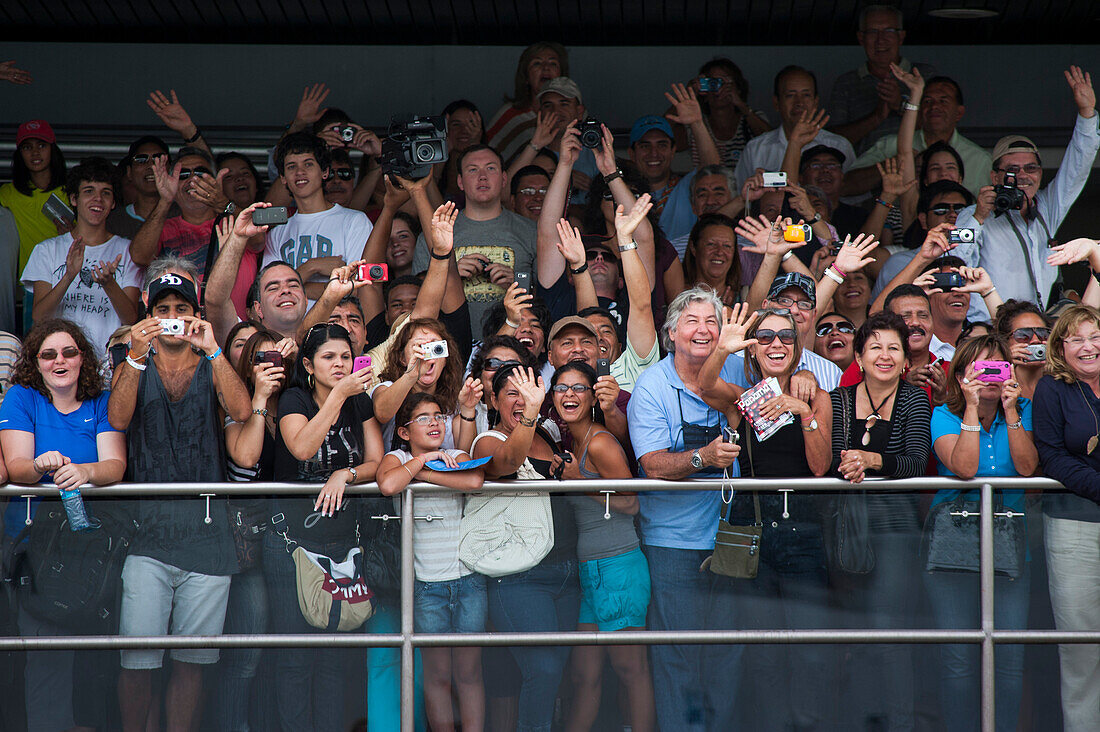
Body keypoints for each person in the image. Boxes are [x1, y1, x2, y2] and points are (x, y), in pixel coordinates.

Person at [107, 270, 251, 732]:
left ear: (196, 315)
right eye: (162, 310)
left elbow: (242, 411)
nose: (172, 319)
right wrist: (134, 355)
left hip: (207, 533)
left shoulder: (211, 358)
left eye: (181, 310)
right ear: (148, 315)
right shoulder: (129, 356)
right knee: (137, 663)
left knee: (193, 664)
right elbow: (118, 417)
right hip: (145, 533)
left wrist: (212, 347)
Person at [698, 304, 833, 730]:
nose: (776, 344)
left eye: (786, 337)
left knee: (810, 652)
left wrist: (803, 412)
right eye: (766, 337)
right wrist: (723, 348)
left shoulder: (817, 396)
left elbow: (819, 467)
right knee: (765, 653)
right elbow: (704, 385)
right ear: (754, 349)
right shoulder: (743, 397)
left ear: (798, 347)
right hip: (756, 533)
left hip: (805, 532)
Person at [0, 320, 126, 732]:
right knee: (46, 655)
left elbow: (115, 466)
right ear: (34, 364)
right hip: (33, 544)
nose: (60, 361)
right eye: (49, 354)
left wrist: (86, 470)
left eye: (69, 352)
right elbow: (16, 465)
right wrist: (38, 466)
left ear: (83, 358)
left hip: (93, 546)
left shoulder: (102, 400)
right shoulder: (21, 397)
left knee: (93, 660)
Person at [626, 286, 742, 731]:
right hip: (672, 543)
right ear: (671, 332)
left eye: (712, 322)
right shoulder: (652, 385)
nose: (703, 330)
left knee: (728, 653)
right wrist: (703, 459)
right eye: (692, 321)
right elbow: (651, 464)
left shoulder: (734, 370)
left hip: (732, 539)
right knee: (678, 654)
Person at [267, 322, 383, 731]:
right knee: (295, 658)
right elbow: (301, 447)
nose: (339, 364)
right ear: (309, 365)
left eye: (345, 357)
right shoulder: (293, 398)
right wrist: (337, 396)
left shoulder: (360, 400)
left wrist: (344, 475)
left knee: (336, 655)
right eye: (329, 358)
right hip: (291, 543)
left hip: (341, 544)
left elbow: (377, 463)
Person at [927, 334, 1038, 732]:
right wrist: (972, 407)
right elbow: (964, 468)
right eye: (981, 367)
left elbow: (1027, 468)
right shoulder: (943, 413)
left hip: (1010, 542)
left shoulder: (1023, 409)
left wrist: (1010, 411)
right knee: (957, 657)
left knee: (1009, 657)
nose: (991, 375)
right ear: (960, 377)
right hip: (953, 540)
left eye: (998, 366)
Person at [830, 310, 931, 730]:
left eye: (894, 348)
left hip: (895, 528)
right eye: (875, 347)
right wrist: (850, 463)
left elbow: (917, 462)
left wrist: (871, 460)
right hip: (843, 528)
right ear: (859, 355)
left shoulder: (914, 399)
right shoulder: (837, 399)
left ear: (906, 359)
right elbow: (833, 452)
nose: (885, 356)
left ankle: (899, 724)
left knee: (890, 636)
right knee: (847, 636)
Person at [471, 362, 579, 732]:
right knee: (544, 669)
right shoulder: (487, 440)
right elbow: (507, 463)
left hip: (566, 570)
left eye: (528, 391)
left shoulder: (548, 435)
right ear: (494, 400)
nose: (521, 401)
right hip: (518, 577)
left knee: (556, 673)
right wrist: (531, 414)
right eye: (511, 394)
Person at [547, 361, 654, 732]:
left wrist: (578, 481)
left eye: (578, 388)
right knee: (584, 674)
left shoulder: (601, 441)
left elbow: (631, 503)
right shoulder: (573, 441)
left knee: (631, 670)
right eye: (561, 388)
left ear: (593, 396)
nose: (569, 395)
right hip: (591, 572)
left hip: (618, 565)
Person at [378, 392, 486, 732]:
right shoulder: (395, 458)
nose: (435, 422)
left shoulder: (454, 455)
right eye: (423, 418)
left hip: (468, 578)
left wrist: (425, 474)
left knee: (468, 673)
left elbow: (474, 480)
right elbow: (388, 484)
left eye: (438, 415)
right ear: (405, 432)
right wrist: (421, 462)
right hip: (425, 585)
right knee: (438, 675)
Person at [953, 67, 1099, 309]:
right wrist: (978, 217)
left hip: (1035, 330)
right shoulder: (974, 215)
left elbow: (1077, 170)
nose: (1022, 176)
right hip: (991, 328)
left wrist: (1087, 113)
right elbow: (958, 264)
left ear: (1040, 174)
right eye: (1012, 170)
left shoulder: (1046, 207)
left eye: (1031, 168)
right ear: (994, 176)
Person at [212, 326, 289, 732]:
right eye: (260, 359)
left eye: (277, 357)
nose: (270, 366)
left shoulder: (298, 404)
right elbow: (244, 461)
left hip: (291, 543)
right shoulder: (235, 405)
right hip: (247, 548)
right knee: (247, 656)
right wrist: (258, 398)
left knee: (286, 654)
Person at [1031, 304, 1100, 732]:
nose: (1088, 346)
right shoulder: (1053, 390)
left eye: (1094, 336)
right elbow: (1052, 457)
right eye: (1076, 338)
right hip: (1075, 527)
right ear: (1060, 347)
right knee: (1081, 651)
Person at [21, 157, 142, 358]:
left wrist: (109, 283)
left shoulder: (127, 250)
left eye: (106, 193)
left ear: (113, 203)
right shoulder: (46, 250)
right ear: (73, 199)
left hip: (109, 366)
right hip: (61, 364)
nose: (98, 199)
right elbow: (39, 317)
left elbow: (130, 319)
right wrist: (68, 276)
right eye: (89, 191)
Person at [411, 144, 536, 337]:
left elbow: (549, 296)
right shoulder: (438, 231)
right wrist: (449, 275)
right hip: (451, 346)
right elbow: (415, 299)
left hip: (514, 343)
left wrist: (517, 282)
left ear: (504, 179)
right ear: (460, 181)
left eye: (491, 168)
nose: (482, 176)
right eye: (473, 170)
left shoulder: (530, 231)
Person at [261, 133, 374, 304]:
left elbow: (359, 289)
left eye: (308, 164)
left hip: (339, 327)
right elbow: (265, 294)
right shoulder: (277, 233)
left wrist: (290, 289)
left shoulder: (355, 222)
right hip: (290, 330)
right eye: (291, 167)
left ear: (324, 172)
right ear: (283, 178)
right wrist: (312, 266)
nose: (300, 172)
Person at [846, 75, 991, 197]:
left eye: (943, 101)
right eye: (927, 101)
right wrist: (895, 164)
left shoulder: (979, 159)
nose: (934, 106)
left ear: (959, 113)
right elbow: (846, 185)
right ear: (920, 109)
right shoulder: (890, 145)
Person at [828, 4, 936, 152]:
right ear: (861, 38)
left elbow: (938, 129)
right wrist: (876, 117)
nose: (880, 40)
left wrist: (900, 104)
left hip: (916, 170)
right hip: (865, 171)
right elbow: (832, 141)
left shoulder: (923, 75)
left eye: (889, 31)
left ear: (901, 37)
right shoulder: (846, 83)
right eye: (872, 32)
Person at [734, 66, 857, 188]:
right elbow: (742, 198)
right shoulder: (756, 149)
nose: (799, 103)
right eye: (790, 95)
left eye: (806, 95)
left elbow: (851, 198)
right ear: (776, 103)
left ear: (816, 102)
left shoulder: (839, 145)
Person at [627, 84, 722, 240]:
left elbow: (712, 169)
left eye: (662, 145)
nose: (654, 153)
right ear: (631, 153)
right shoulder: (624, 192)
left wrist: (697, 123)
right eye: (645, 146)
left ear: (673, 150)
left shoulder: (688, 187)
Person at [128, 146, 228, 276]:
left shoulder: (232, 223)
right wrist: (165, 200)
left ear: (215, 180)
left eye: (200, 173)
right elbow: (139, 258)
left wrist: (224, 204)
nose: (192, 180)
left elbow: (257, 240)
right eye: (183, 175)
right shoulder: (162, 229)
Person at [670, 57, 772, 169]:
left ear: (738, 87)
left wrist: (741, 104)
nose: (718, 89)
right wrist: (689, 94)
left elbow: (773, 142)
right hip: (708, 185)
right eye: (712, 83)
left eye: (724, 82)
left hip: (748, 185)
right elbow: (664, 137)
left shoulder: (752, 118)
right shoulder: (695, 123)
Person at [485, 42, 569, 166]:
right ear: (526, 77)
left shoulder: (571, 113)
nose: (546, 68)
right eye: (537, 63)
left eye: (553, 63)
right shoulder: (511, 113)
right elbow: (486, 156)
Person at [0, 120, 67, 274]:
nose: (35, 152)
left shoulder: (71, 191)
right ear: (20, 153)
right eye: (27, 147)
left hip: (65, 280)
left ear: (53, 149)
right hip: (28, 283)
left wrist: (74, 234)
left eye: (42, 145)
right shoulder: (7, 193)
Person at [106, 136, 173, 240]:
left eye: (159, 159)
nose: (151, 165)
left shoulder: (184, 214)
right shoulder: (112, 222)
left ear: (170, 169)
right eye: (141, 160)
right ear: (129, 172)